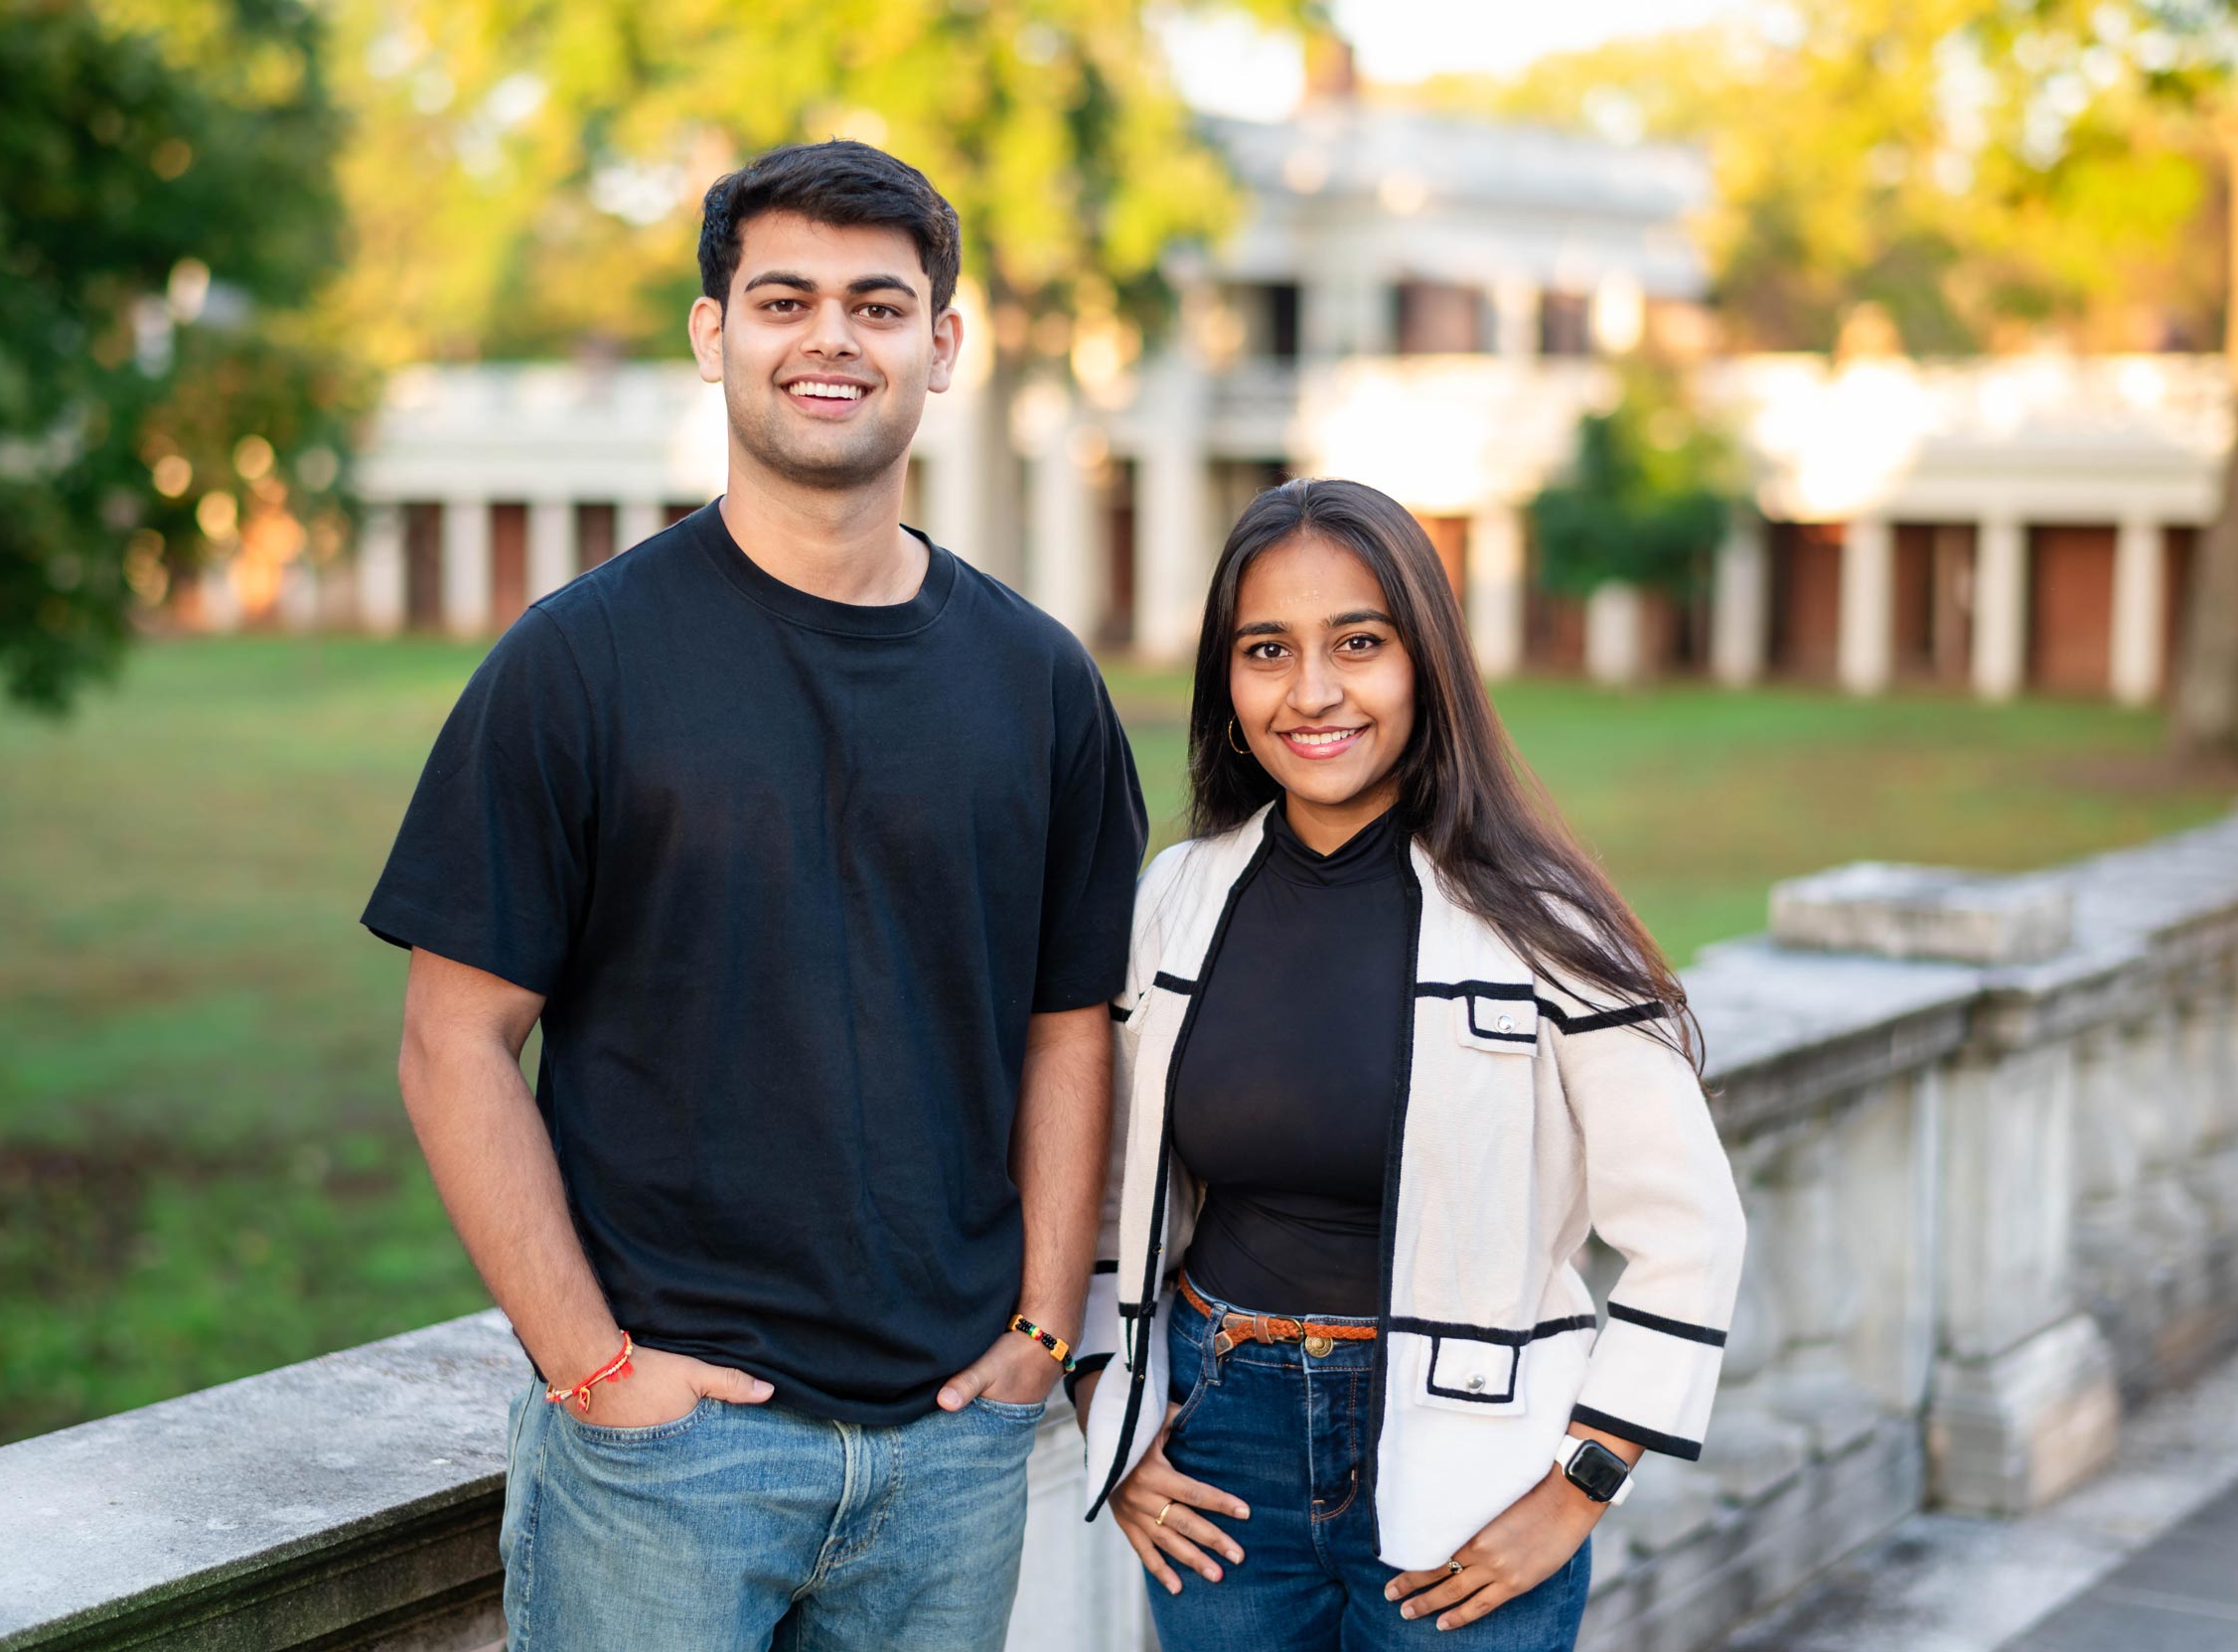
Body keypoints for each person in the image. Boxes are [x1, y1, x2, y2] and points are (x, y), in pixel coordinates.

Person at [362, 140, 1147, 1651]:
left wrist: (1048, 1322)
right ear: (714, 332)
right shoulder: (578, 661)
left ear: (943, 345)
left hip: (949, 1446)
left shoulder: (1038, 679)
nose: (831, 338)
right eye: (783, 299)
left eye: (878, 302)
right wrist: (594, 1369)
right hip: (673, 1455)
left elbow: (1069, 1023)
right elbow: (452, 1041)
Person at [1069, 479, 1745, 1649]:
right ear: (1225, 688)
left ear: (1425, 663)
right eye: (1267, 649)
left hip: (1470, 1474)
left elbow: (1689, 1234)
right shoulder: (1177, 899)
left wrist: (1580, 1485)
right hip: (1220, 1459)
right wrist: (1106, 1412)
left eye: (1359, 643)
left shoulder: (1544, 924)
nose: (1313, 691)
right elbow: (1105, 1194)